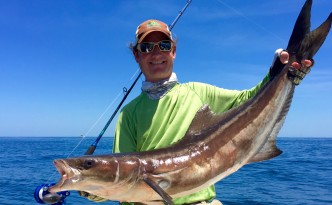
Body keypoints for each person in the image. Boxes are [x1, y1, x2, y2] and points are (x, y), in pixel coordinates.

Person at [81, 19, 313, 204]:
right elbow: (123, 181)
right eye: (146, 47)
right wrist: (88, 187)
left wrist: (279, 72)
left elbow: (250, 100)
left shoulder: (199, 92)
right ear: (137, 55)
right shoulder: (129, 114)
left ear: (173, 51)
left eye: (163, 46)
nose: (156, 53)